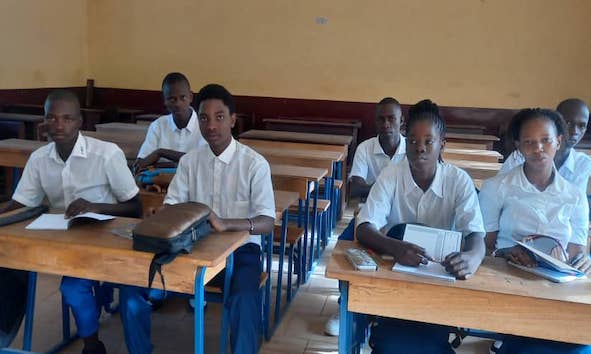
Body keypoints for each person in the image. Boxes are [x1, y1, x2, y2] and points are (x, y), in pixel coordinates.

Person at [118, 84, 275, 354]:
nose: (211, 125)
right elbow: (174, 205)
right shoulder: (190, 161)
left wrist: (227, 224)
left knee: (244, 298)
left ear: (233, 120)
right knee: (131, 286)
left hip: (241, 250)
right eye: (204, 118)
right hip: (191, 245)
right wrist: (162, 215)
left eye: (220, 117)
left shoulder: (254, 164)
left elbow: (266, 221)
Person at [0, 90, 142, 354]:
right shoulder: (39, 159)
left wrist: (94, 207)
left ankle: (95, 329)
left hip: (108, 241)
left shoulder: (107, 154)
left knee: (76, 287)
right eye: (51, 118)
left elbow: (136, 208)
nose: (59, 125)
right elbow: (22, 203)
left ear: (79, 122)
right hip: (65, 242)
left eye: (67, 119)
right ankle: (92, 338)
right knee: (21, 266)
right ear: (44, 122)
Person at [356, 99, 486, 353]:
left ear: (442, 144)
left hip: (440, 278)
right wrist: (395, 247)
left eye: (429, 141)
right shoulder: (391, 175)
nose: (420, 148)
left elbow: (475, 233)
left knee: (426, 337)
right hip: (396, 275)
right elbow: (364, 227)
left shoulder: (458, 180)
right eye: (413, 141)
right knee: (395, 340)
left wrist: (473, 257)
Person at [480, 108, 590, 354]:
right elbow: (484, 248)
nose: (538, 148)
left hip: (559, 291)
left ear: (559, 141)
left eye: (546, 140)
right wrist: (506, 253)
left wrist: (582, 262)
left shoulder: (574, 195)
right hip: (510, 284)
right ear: (518, 146)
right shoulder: (497, 188)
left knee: (581, 341)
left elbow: (575, 252)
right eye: (528, 142)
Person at [325, 96, 405, 336]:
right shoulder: (365, 148)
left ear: (402, 121)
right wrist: (387, 189)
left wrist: (377, 186)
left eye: (392, 118)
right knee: (344, 251)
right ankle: (345, 305)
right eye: (381, 119)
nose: (386, 124)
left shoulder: (410, 149)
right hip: (369, 216)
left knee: (400, 259)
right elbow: (355, 189)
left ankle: (385, 310)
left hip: (401, 219)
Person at [499, 99, 591, 193]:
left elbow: (576, 201)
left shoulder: (583, 163)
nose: (575, 131)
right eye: (568, 123)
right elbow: (499, 190)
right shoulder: (520, 156)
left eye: (582, 126)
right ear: (556, 123)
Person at [134, 72, 206, 170]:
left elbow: (202, 162)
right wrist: (175, 164)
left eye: (183, 98)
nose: (178, 104)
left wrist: (161, 153)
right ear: (165, 101)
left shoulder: (204, 124)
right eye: (172, 99)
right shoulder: (158, 126)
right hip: (160, 184)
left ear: (191, 97)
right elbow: (140, 163)